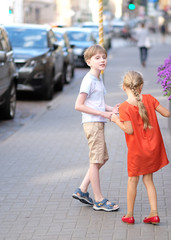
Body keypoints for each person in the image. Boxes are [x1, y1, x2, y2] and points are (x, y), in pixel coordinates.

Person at [111, 71, 170, 224]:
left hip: (137, 152)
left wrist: (116, 120)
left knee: (132, 181)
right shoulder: (149, 99)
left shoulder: (124, 107)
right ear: (141, 86)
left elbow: (129, 130)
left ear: (124, 87)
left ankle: (129, 214)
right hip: (152, 149)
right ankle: (154, 213)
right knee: (149, 180)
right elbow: (167, 113)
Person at [72, 44, 120, 212]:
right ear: (88, 62)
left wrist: (110, 109)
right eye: (97, 58)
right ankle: (98, 200)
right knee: (95, 161)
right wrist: (103, 114)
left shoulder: (98, 79)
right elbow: (79, 105)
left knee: (102, 158)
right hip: (92, 124)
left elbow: (98, 103)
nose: (102, 60)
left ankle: (82, 190)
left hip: (97, 123)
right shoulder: (88, 80)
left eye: (104, 57)